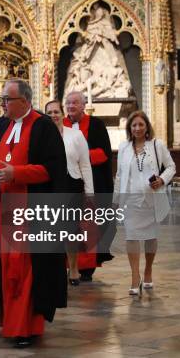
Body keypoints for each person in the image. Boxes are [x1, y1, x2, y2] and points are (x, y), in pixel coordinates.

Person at [0, 79, 68, 348]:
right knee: (8, 269)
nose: (3, 104)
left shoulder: (43, 126)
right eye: (3, 99)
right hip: (5, 210)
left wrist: (16, 173)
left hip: (32, 209)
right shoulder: (1, 126)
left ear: (24, 100)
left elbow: (53, 170)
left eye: (7, 99)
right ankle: (11, 325)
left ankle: (27, 327)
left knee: (28, 269)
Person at [114, 111, 175, 296]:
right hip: (131, 199)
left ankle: (148, 270)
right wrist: (115, 200)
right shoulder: (123, 147)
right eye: (134, 125)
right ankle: (135, 276)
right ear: (129, 128)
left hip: (151, 198)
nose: (137, 128)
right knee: (131, 237)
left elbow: (171, 166)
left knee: (150, 237)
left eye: (141, 125)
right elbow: (120, 175)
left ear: (147, 127)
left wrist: (162, 179)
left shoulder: (157, 145)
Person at [63, 90, 114, 282]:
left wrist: (81, 158)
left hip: (93, 183)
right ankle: (69, 265)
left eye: (75, 103)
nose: (71, 106)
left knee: (89, 227)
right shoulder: (60, 125)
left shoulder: (96, 125)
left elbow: (104, 153)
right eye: (68, 103)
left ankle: (87, 267)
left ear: (84, 105)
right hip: (69, 185)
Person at [45, 100, 94, 286]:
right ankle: (56, 269)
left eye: (56, 112)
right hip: (50, 186)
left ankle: (73, 268)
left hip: (72, 183)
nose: (53, 115)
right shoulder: (42, 136)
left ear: (62, 114)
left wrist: (90, 193)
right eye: (49, 112)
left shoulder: (76, 135)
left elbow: (85, 165)